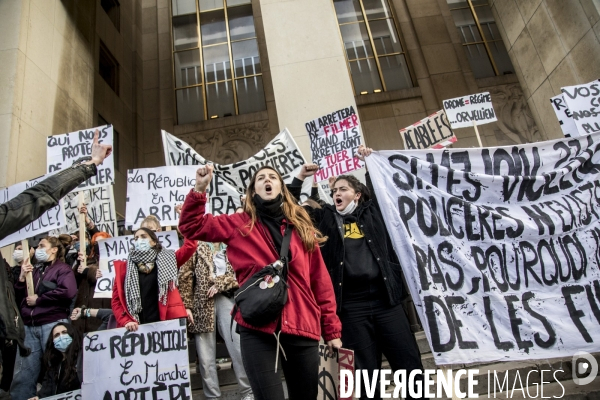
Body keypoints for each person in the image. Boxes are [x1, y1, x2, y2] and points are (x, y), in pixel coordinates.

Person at [179, 164, 342, 400]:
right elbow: (190, 226)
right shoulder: (238, 224)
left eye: (273, 177)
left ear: (281, 188)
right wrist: (199, 189)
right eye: (261, 178)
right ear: (253, 191)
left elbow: (320, 283)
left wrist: (332, 331)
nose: (267, 180)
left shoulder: (302, 227)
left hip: (302, 324)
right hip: (257, 329)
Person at [294, 146, 425, 400]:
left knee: (410, 368)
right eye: (333, 191)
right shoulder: (326, 219)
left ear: (357, 194)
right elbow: (290, 210)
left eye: (342, 189)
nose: (336, 194)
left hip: (388, 304)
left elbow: (383, 186)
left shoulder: (375, 213)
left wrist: (369, 161)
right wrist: (301, 179)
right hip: (352, 310)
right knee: (363, 379)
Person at [0, 130, 111, 375]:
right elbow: (36, 198)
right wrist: (89, 165)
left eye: (41, 246)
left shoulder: (62, 269)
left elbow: (36, 199)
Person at [178, 242, 253, 400]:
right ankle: (212, 396)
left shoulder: (232, 246)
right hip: (202, 304)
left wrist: (221, 283)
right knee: (205, 357)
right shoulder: (197, 248)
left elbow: (242, 273)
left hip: (228, 300)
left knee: (238, 347)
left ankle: (248, 391)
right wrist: (187, 306)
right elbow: (184, 276)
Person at [11, 236, 77, 400]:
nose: (38, 249)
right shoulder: (33, 270)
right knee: (23, 374)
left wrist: (40, 300)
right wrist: (21, 279)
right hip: (30, 326)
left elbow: (68, 291)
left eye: (42, 245)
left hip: (52, 324)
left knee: (54, 367)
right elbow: (20, 298)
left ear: (54, 249)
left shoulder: (63, 269)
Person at [111, 228, 190, 331]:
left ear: (154, 242)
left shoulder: (168, 260)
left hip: (166, 324)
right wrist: (126, 320)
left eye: (143, 237)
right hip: (137, 328)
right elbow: (116, 301)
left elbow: (189, 247)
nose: (139, 240)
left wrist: (187, 223)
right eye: (136, 238)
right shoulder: (124, 269)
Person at [71, 231, 112, 334]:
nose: (99, 246)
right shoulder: (87, 261)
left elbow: (102, 274)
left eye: (102, 242)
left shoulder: (114, 262)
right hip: (83, 312)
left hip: (101, 311)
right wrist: (79, 264)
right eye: (96, 244)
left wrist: (88, 271)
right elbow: (74, 280)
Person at [28, 322, 83, 399]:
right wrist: (38, 398)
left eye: (64, 332)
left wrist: (85, 312)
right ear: (53, 342)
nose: (61, 337)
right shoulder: (54, 367)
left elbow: (106, 318)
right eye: (57, 335)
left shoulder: (84, 358)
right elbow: (46, 393)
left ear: (72, 334)